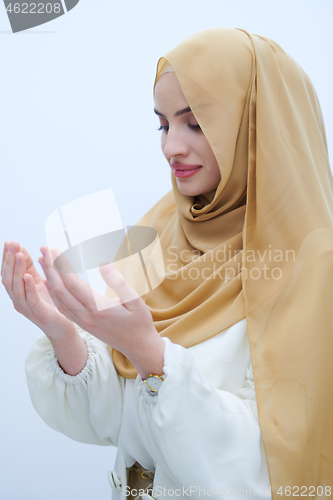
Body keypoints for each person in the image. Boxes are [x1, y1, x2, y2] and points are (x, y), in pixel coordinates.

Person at [2, 28, 333, 499]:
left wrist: (151, 356)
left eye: (195, 123)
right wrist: (63, 333)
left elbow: (276, 471)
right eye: (163, 124)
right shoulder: (163, 230)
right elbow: (117, 420)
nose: (170, 146)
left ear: (257, 126)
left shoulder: (314, 266)